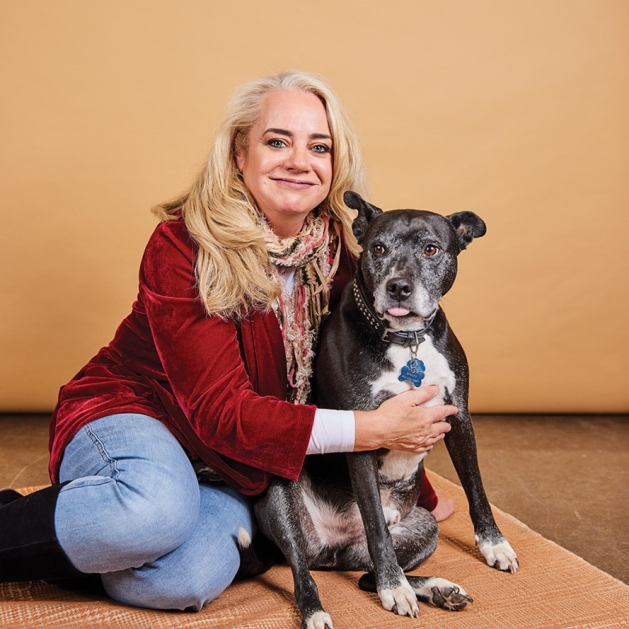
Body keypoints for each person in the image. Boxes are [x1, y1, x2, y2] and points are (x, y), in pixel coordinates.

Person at [0, 70, 456, 611]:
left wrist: (417, 487)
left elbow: (357, 374)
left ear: (334, 166)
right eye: (277, 141)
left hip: (237, 464)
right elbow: (220, 412)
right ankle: (96, 513)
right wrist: (371, 430)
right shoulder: (183, 246)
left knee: (180, 580)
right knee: (155, 512)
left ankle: (111, 529)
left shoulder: (339, 256)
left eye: (319, 146)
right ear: (240, 153)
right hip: (137, 413)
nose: (298, 160)